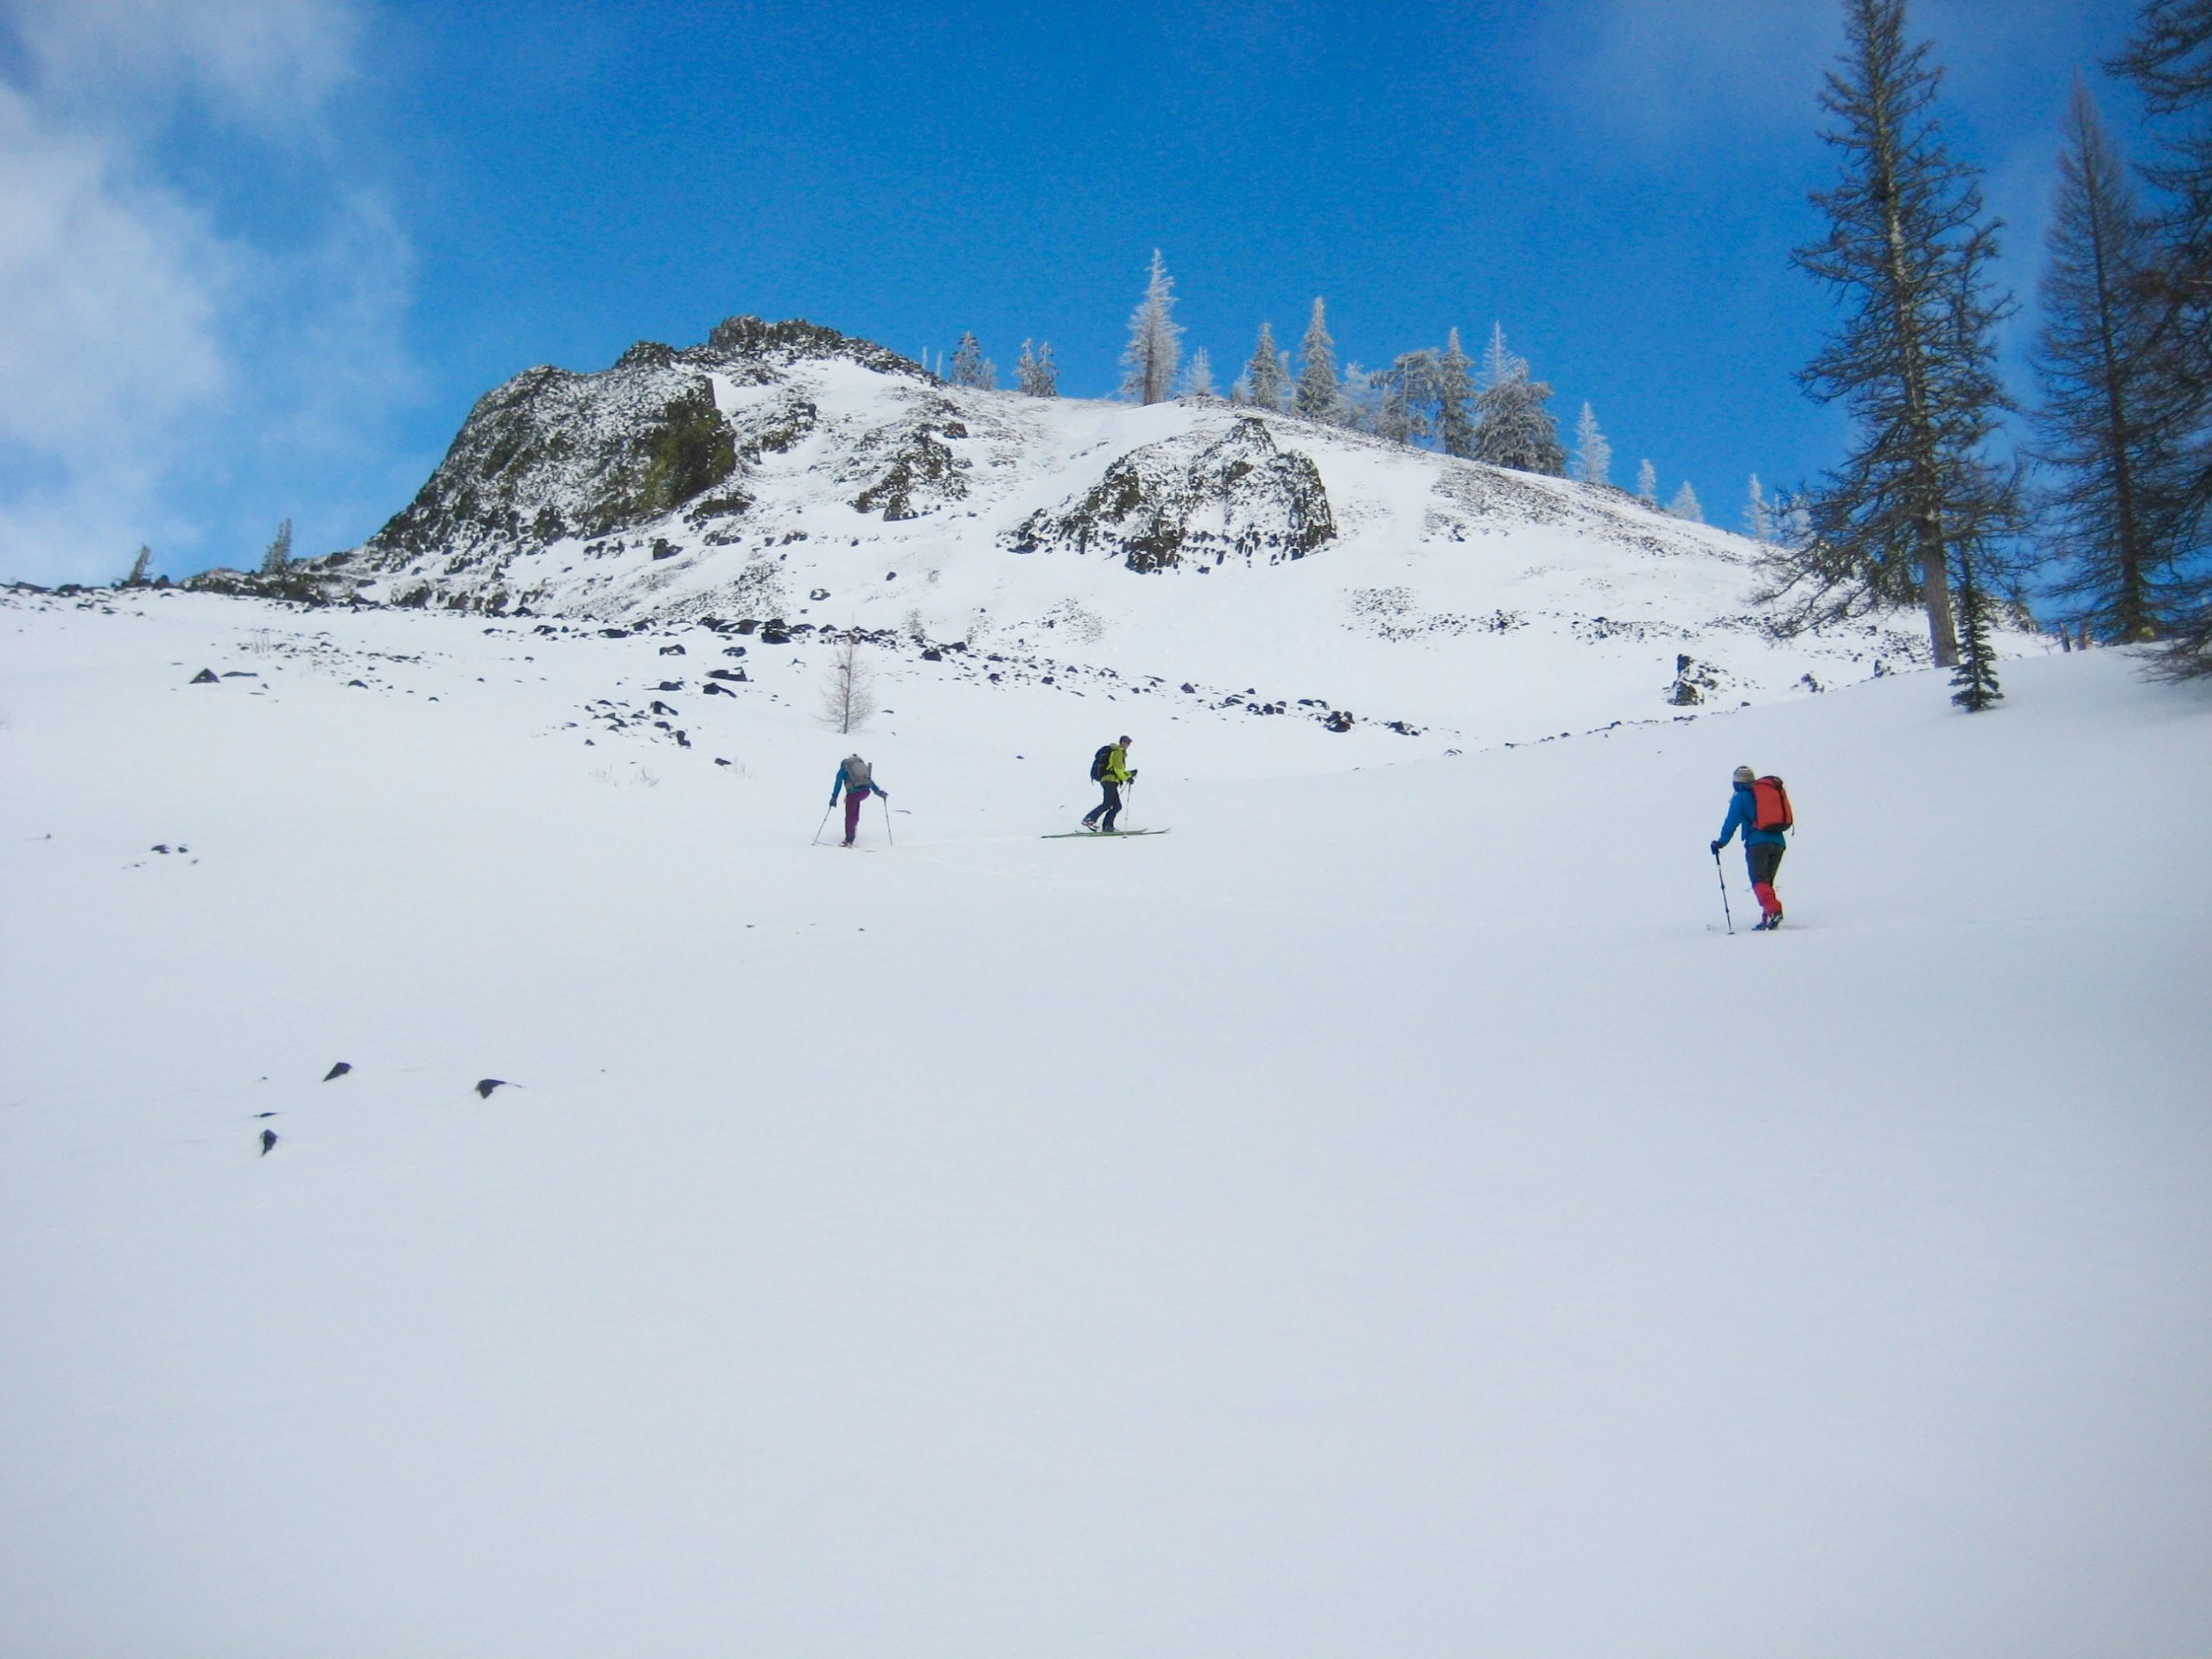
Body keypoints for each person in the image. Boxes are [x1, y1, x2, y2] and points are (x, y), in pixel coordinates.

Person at [1712, 764, 1785, 929]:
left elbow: (1731, 823)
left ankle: (1774, 911)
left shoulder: (1741, 798)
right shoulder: (1763, 795)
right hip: (1778, 842)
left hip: (1757, 844)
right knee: (1767, 882)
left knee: (1759, 881)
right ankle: (1768, 918)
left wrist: (1721, 843)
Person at [830, 753, 888, 848]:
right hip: (865, 792)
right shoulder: (860, 768)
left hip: (853, 793)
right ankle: (853, 830)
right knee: (855, 809)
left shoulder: (844, 769)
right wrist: (878, 792)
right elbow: (869, 781)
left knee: (850, 815)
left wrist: (834, 798)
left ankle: (849, 840)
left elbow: (838, 784)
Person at [1081, 735, 1135, 832]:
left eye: (1129, 743)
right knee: (1107, 804)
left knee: (1117, 806)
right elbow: (1117, 770)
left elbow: (1117, 770)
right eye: (1127, 742)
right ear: (1122, 742)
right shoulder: (1118, 752)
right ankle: (1089, 819)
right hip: (1109, 780)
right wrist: (1127, 778)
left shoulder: (1118, 752)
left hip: (1110, 780)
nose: (1128, 744)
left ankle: (1107, 826)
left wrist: (1130, 773)